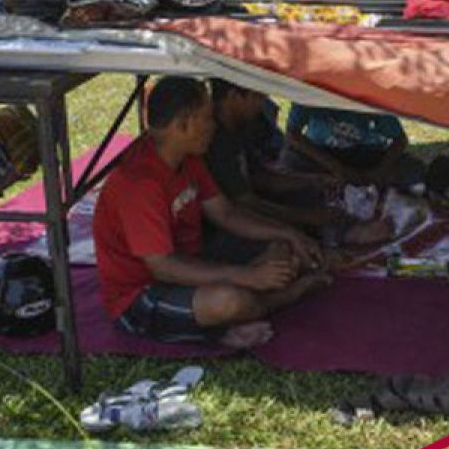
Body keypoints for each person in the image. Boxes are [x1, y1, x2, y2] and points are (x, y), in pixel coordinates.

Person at [93, 77, 328, 348]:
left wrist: (289, 232)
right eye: (207, 118)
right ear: (183, 125)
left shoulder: (187, 157)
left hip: (192, 260)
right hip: (141, 294)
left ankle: (255, 301)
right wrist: (247, 276)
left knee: (282, 249)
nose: (214, 126)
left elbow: (225, 214)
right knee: (230, 301)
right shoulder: (138, 183)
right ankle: (279, 299)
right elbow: (164, 268)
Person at [206, 80, 391, 246]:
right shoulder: (217, 143)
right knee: (282, 243)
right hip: (235, 223)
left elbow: (263, 177)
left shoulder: (238, 129)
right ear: (233, 96)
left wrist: (313, 180)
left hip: (256, 204)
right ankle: (335, 234)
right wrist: (305, 216)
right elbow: (246, 205)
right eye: (258, 97)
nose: (262, 104)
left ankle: (337, 229)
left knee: (308, 194)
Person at [283, 103, 422, 189]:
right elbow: (292, 134)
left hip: (365, 156)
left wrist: (379, 171)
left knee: (412, 168)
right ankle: (329, 184)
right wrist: (336, 168)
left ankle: (347, 183)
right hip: (320, 156)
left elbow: (400, 140)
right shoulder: (311, 88)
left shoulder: (369, 94)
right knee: (289, 161)